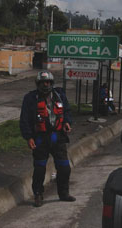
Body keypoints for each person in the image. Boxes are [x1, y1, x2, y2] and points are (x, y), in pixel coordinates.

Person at [19, 71, 75, 207]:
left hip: (58, 137)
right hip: (40, 139)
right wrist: (28, 137)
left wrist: (67, 122)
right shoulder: (30, 98)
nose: (46, 85)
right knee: (39, 169)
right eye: (43, 83)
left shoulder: (59, 95)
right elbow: (24, 120)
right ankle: (38, 195)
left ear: (52, 83)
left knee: (64, 168)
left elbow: (67, 111)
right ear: (38, 84)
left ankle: (64, 193)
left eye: (48, 82)